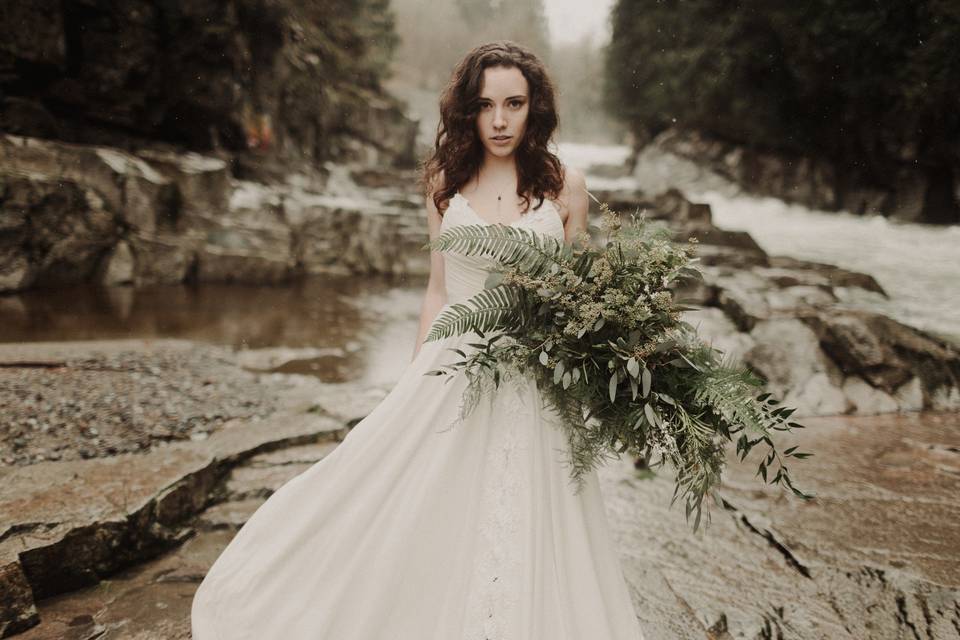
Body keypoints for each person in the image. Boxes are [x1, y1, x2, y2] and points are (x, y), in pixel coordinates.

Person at [191, 40, 645, 640]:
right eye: (486, 106)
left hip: (535, 376)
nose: (501, 120)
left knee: (533, 514)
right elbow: (439, 288)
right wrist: (415, 373)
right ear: (468, 112)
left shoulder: (567, 187)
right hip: (455, 365)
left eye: (514, 103)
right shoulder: (443, 182)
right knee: (422, 505)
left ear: (536, 108)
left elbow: (583, 293)